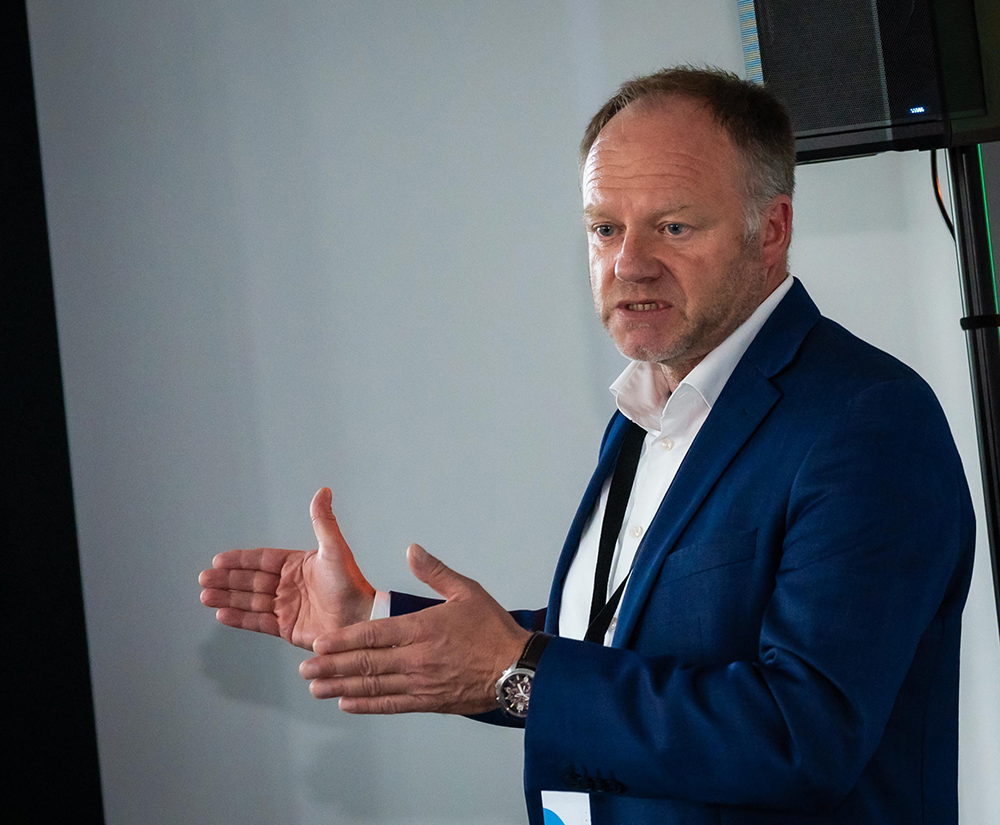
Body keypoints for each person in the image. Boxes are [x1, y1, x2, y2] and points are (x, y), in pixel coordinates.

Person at [199, 67, 975, 824]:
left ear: (770, 231)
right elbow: (612, 637)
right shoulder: (646, 407)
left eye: (673, 227)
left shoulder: (868, 421)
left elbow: (803, 735)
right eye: (606, 228)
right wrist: (372, 617)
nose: (629, 264)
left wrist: (516, 671)